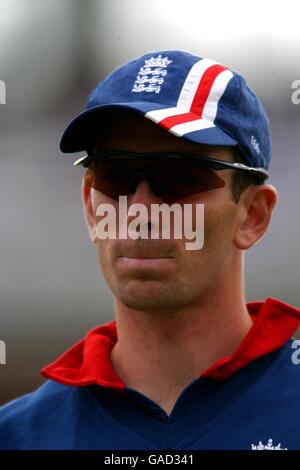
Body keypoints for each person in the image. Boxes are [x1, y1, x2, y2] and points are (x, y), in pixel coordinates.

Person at [0, 50, 299, 451]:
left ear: (253, 216)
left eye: (179, 177)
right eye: (116, 175)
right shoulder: (17, 437)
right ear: (91, 206)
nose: (139, 211)